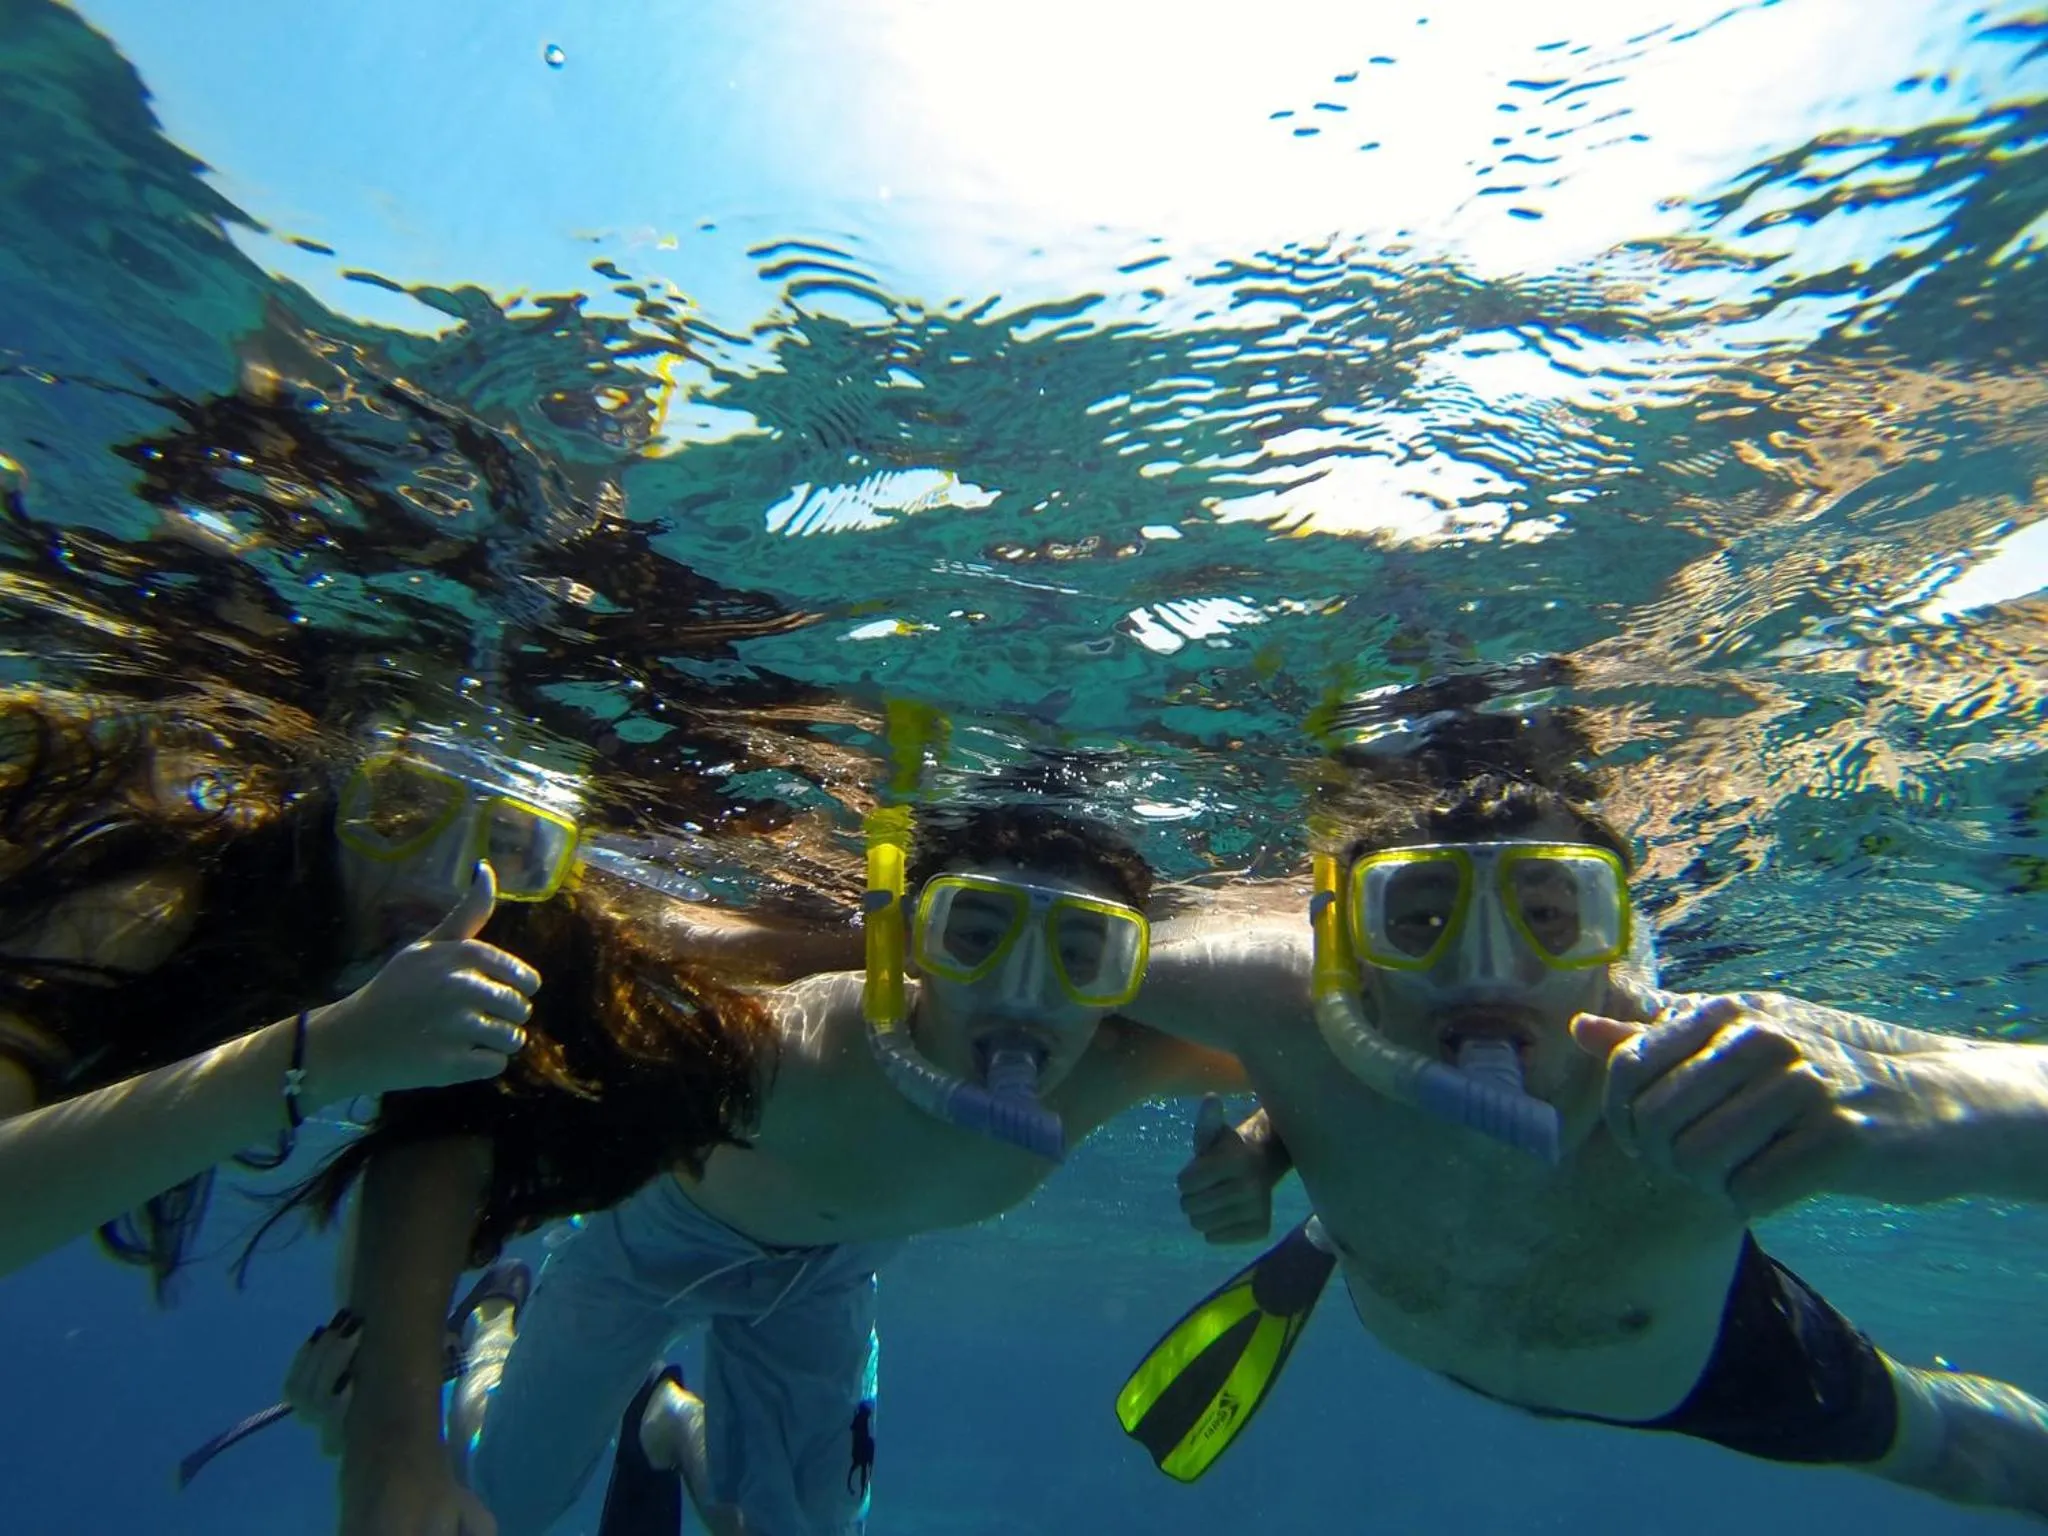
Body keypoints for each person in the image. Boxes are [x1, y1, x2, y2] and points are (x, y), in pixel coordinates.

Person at [1115, 703, 2048, 1522]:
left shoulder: (1720, 1061)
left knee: (1953, 1453)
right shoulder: (1277, 1001)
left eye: (1550, 919)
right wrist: (1273, 1135)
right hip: (1435, 1317)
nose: (1483, 969)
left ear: (1617, 944)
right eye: (1418, 918)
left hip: (1717, 1373)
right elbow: (1024, 969)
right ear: (1340, 943)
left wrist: (1922, 1110)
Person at [308, 800, 1246, 1536]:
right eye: (974, 934)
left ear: (1131, 973)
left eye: (1086, 955)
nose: (1025, 989)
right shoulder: (780, 1043)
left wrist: (1263, 1147)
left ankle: (670, 1422)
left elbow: (1312, 1064)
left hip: (828, 1275)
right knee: (508, 1508)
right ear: (908, 947)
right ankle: (493, 1338)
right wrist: (372, 1322)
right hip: (653, 1246)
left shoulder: (1119, 1064)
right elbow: (457, 1126)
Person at [0, 687, 854, 1291]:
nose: (444, 877)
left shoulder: (521, 916)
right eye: (403, 810)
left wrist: (879, 938)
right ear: (333, 796)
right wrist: (327, 1055)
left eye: (514, 841)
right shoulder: (158, 888)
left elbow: (682, 934)